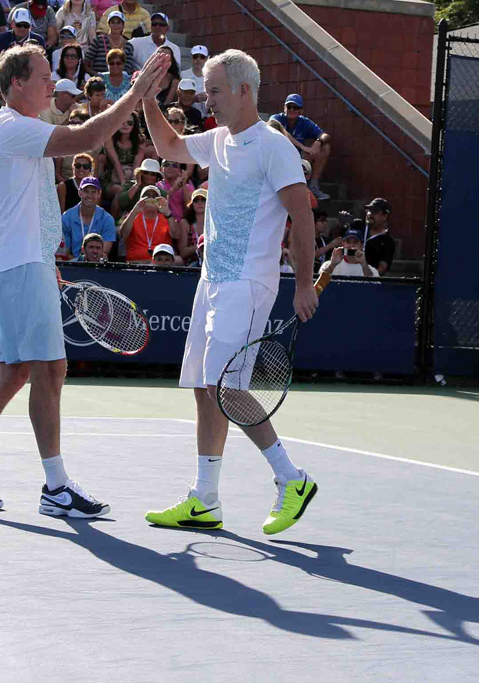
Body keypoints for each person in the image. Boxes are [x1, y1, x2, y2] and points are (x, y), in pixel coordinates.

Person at [0, 43, 171, 516]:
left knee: (15, 371)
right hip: (19, 265)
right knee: (48, 369)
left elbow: (27, 204)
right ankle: (56, 488)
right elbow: (88, 136)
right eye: (43, 77)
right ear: (17, 83)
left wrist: (45, 258)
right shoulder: (13, 127)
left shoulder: (21, 129)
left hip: (24, 262)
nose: (50, 84)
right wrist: (137, 92)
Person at [143, 49, 320, 535]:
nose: (208, 100)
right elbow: (168, 145)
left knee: (227, 389)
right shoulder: (218, 140)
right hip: (212, 281)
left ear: (244, 91)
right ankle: (205, 499)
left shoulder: (274, 147)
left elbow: (302, 216)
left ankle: (292, 478)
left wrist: (304, 283)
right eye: (206, 91)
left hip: (248, 283)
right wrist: (147, 100)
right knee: (207, 389)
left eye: (215, 90)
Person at [269, 93, 332, 201]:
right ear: (284, 108)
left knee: (324, 147)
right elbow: (281, 132)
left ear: (301, 110)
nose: (292, 110)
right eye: (289, 107)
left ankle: (312, 186)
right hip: (279, 160)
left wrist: (318, 141)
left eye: (296, 107)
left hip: (299, 161)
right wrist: (302, 146)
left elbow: (325, 135)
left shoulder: (304, 122)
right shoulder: (276, 118)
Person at [119, 184, 179, 264]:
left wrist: (168, 213)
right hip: (136, 263)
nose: (151, 198)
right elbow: (123, 235)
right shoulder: (132, 216)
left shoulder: (166, 218)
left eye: (154, 196)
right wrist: (134, 211)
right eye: (147, 196)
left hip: (161, 262)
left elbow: (176, 235)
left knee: (178, 260)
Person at [61, 176, 115, 258]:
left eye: (93, 192)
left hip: (96, 262)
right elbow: (65, 251)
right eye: (86, 191)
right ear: (80, 192)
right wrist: (79, 262)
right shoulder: (66, 217)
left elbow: (104, 252)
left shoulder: (107, 219)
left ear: (99, 193)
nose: (89, 195)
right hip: (72, 263)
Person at [100, 112, 144, 202]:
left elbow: (137, 164)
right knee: (120, 190)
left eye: (129, 123)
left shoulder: (140, 140)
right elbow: (115, 162)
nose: (125, 125)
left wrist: (132, 183)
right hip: (111, 177)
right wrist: (123, 182)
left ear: (134, 125)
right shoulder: (109, 138)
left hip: (131, 175)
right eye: (122, 122)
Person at [83, 11, 134, 75]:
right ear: (108, 24)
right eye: (113, 22)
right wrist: (97, 74)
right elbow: (86, 62)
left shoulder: (128, 45)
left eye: (118, 22)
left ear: (123, 25)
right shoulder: (98, 40)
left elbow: (129, 69)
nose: (115, 25)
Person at [363, 197, 394, 276]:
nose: (370, 214)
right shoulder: (359, 227)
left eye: (375, 212)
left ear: (385, 216)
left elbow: (382, 268)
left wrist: (369, 277)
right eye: (369, 210)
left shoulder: (388, 241)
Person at [156, 158, 192, 224]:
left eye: (174, 165)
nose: (170, 168)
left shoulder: (188, 187)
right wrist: (173, 189)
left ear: (180, 171)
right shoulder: (157, 185)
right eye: (166, 165)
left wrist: (183, 185)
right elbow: (159, 203)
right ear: (161, 169)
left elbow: (189, 207)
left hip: (181, 223)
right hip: (162, 222)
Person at [177, 187, 204, 266]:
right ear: (192, 204)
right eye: (196, 200)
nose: (200, 203)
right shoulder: (185, 223)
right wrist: (201, 246)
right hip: (191, 263)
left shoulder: (214, 224)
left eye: (203, 200)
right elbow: (183, 252)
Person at [180, 45, 209, 117]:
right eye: (195, 56)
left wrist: (208, 98)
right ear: (191, 58)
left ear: (206, 59)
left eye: (202, 57)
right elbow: (178, 98)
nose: (198, 59)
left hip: (207, 117)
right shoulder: (183, 75)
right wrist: (193, 99)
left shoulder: (211, 77)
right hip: (187, 116)